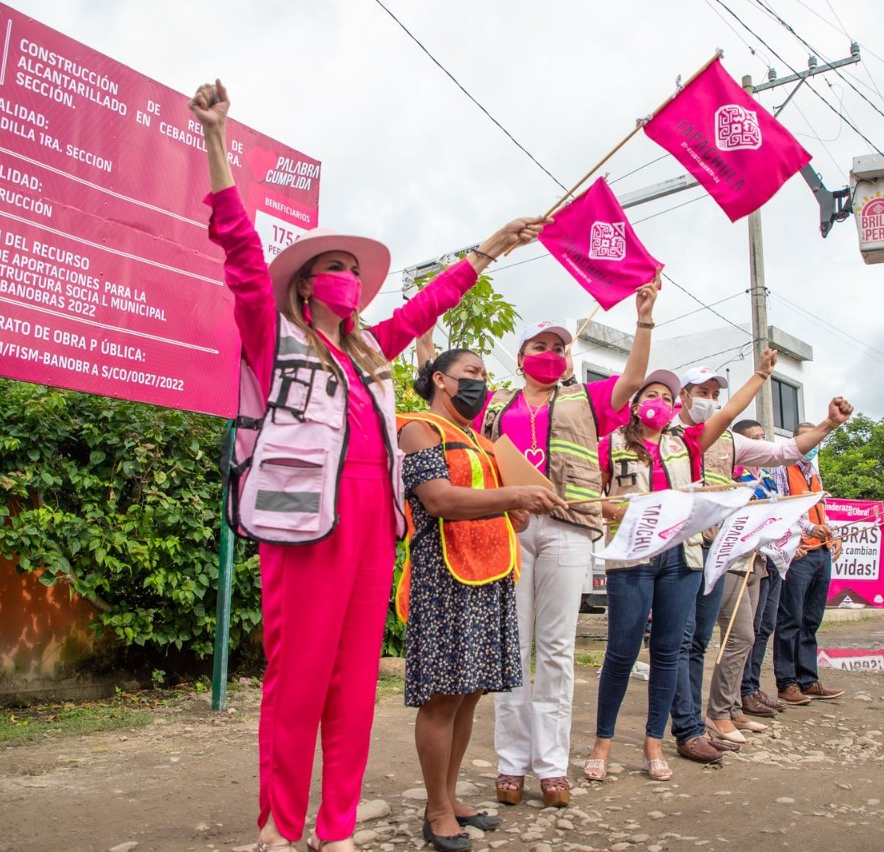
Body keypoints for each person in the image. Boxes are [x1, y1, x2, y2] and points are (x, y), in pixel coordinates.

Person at [190, 81, 545, 852]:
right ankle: (281, 830)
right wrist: (216, 137)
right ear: (308, 285)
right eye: (336, 266)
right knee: (298, 684)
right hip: (302, 520)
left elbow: (428, 306)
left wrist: (491, 246)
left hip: (372, 527)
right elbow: (241, 252)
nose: (348, 275)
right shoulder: (272, 333)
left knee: (353, 688)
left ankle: (336, 828)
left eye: (354, 266)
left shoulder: (373, 354)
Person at [481, 285, 657, 808]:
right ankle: (511, 763)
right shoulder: (497, 401)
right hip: (510, 526)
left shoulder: (587, 399)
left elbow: (629, 380)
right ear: (520, 356)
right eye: (541, 346)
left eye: (560, 348)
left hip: (566, 527)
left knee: (555, 649)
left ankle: (552, 766)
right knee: (512, 647)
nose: (551, 354)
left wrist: (643, 321)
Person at [398, 349, 565, 852]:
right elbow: (440, 500)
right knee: (443, 696)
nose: (479, 383)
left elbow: (505, 513)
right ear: (440, 380)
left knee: (470, 692)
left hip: (490, 573)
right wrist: (514, 498)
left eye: (484, 376)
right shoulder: (419, 429)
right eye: (471, 374)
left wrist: (519, 508)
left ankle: (450, 796)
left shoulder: (482, 441)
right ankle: (437, 809)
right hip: (443, 575)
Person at [668, 356, 853, 761]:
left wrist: (828, 425)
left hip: (722, 549)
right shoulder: (673, 435)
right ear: (681, 396)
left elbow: (786, 451)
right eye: (703, 394)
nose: (711, 402)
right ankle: (690, 724)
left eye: (716, 395)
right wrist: (762, 374)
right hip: (683, 551)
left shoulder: (732, 443)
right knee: (684, 642)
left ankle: (704, 720)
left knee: (702, 640)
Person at [585, 370, 705, 782]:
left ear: (676, 407)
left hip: (681, 558)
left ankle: (654, 741)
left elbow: (722, 426)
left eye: (667, 395)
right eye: (650, 393)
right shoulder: (612, 443)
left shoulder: (684, 444)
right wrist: (629, 510)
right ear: (634, 405)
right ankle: (602, 741)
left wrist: (760, 375)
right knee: (621, 652)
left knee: (668, 653)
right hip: (632, 558)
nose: (659, 400)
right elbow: (592, 500)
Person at [771, 422, 844, 706]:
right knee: (790, 619)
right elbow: (780, 507)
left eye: (817, 440)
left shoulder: (814, 471)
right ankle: (786, 683)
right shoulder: (781, 468)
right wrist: (808, 529)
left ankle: (808, 680)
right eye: (808, 439)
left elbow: (820, 510)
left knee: (811, 620)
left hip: (821, 553)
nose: (813, 445)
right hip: (798, 551)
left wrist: (833, 535)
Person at [731, 420, 789, 719]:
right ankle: (741, 692)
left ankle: (752, 685)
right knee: (746, 630)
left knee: (765, 626)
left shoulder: (766, 475)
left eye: (763, 438)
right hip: (747, 556)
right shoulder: (734, 473)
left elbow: (779, 510)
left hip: (773, 556)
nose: (760, 443)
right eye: (754, 439)